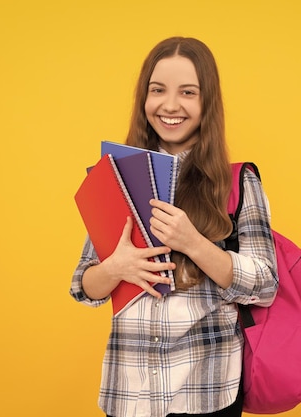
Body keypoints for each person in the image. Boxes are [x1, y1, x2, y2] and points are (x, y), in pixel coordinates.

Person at [70, 36, 278, 417]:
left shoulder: (237, 182)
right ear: (143, 99)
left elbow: (265, 285)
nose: (170, 105)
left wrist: (194, 243)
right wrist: (116, 268)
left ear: (207, 103)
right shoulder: (115, 175)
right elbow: (83, 286)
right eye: (157, 90)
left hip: (206, 394)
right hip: (129, 394)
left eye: (188, 92)